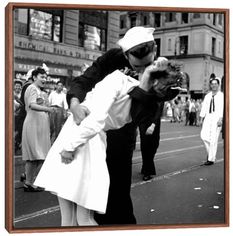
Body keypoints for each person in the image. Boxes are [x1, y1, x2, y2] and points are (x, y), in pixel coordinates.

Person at [34, 60, 183, 226]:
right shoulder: (144, 102)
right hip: (91, 140)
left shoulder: (120, 81)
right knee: (77, 218)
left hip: (82, 138)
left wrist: (70, 146)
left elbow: (95, 120)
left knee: (76, 219)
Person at [65, 26, 180, 225]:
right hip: (95, 127)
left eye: (147, 64)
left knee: (117, 187)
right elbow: (86, 79)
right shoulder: (111, 59)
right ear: (126, 54)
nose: (142, 70)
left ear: (154, 52)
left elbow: (154, 101)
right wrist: (74, 101)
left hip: (124, 129)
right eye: (137, 66)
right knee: (87, 188)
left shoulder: (158, 68)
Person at [21, 67, 55, 192]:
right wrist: (48, 109)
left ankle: (29, 182)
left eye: (45, 77)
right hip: (33, 125)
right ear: (34, 77)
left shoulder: (39, 91)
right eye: (42, 77)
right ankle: (29, 182)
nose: (44, 79)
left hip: (39, 126)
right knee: (35, 156)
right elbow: (31, 105)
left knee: (37, 157)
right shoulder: (32, 88)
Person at [199, 77, 224, 165]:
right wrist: (201, 118)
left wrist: (221, 119)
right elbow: (204, 107)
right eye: (212, 84)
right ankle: (211, 154)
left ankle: (211, 159)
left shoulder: (221, 96)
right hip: (208, 117)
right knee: (203, 136)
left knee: (213, 139)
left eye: (215, 84)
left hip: (217, 118)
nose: (214, 85)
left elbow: (222, 108)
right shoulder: (208, 96)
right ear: (210, 85)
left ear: (218, 85)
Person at [139, 102, 164, 181]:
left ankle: (145, 166)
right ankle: (147, 171)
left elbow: (159, 110)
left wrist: (153, 125)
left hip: (154, 121)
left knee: (154, 144)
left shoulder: (159, 93)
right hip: (143, 121)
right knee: (145, 145)